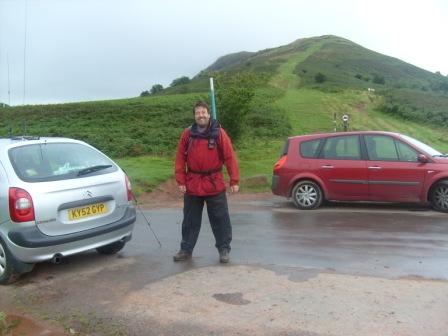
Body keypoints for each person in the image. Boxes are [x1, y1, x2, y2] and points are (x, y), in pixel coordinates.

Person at [173, 101, 239, 263]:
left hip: (214, 182)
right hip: (193, 184)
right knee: (190, 220)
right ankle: (185, 249)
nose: (201, 115)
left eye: (203, 112)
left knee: (220, 219)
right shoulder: (187, 134)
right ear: (194, 116)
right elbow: (180, 158)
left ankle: (224, 250)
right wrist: (181, 180)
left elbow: (229, 156)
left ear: (209, 114)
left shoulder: (219, 133)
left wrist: (234, 180)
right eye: (198, 113)